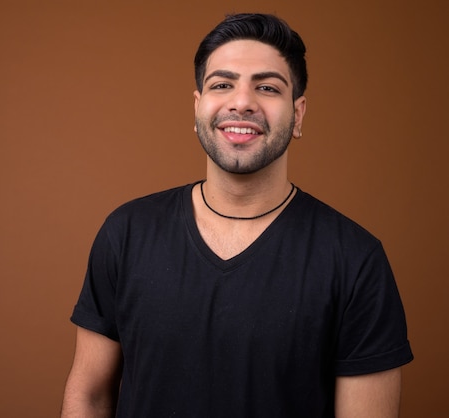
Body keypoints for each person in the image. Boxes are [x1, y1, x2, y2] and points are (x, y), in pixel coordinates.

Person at [61, 13, 413, 418]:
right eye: (222, 84)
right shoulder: (126, 233)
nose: (242, 101)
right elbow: (88, 396)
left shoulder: (355, 259)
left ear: (298, 115)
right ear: (198, 108)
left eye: (266, 87)